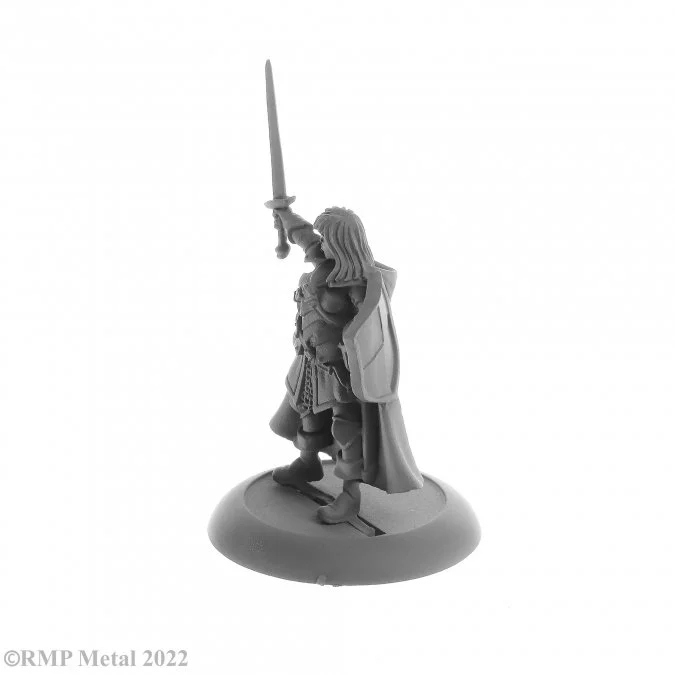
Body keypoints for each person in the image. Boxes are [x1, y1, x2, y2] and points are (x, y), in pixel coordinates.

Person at [269, 206, 423, 524]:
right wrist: (284, 213)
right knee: (306, 411)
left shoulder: (357, 284)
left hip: (341, 373)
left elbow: (368, 326)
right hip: (309, 360)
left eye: (327, 239)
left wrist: (349, 354)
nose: (320, 243)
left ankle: (351, 494)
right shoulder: (325, 262)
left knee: (346, 430)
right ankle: (307, 463)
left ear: (342, 243)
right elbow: (303, 235)